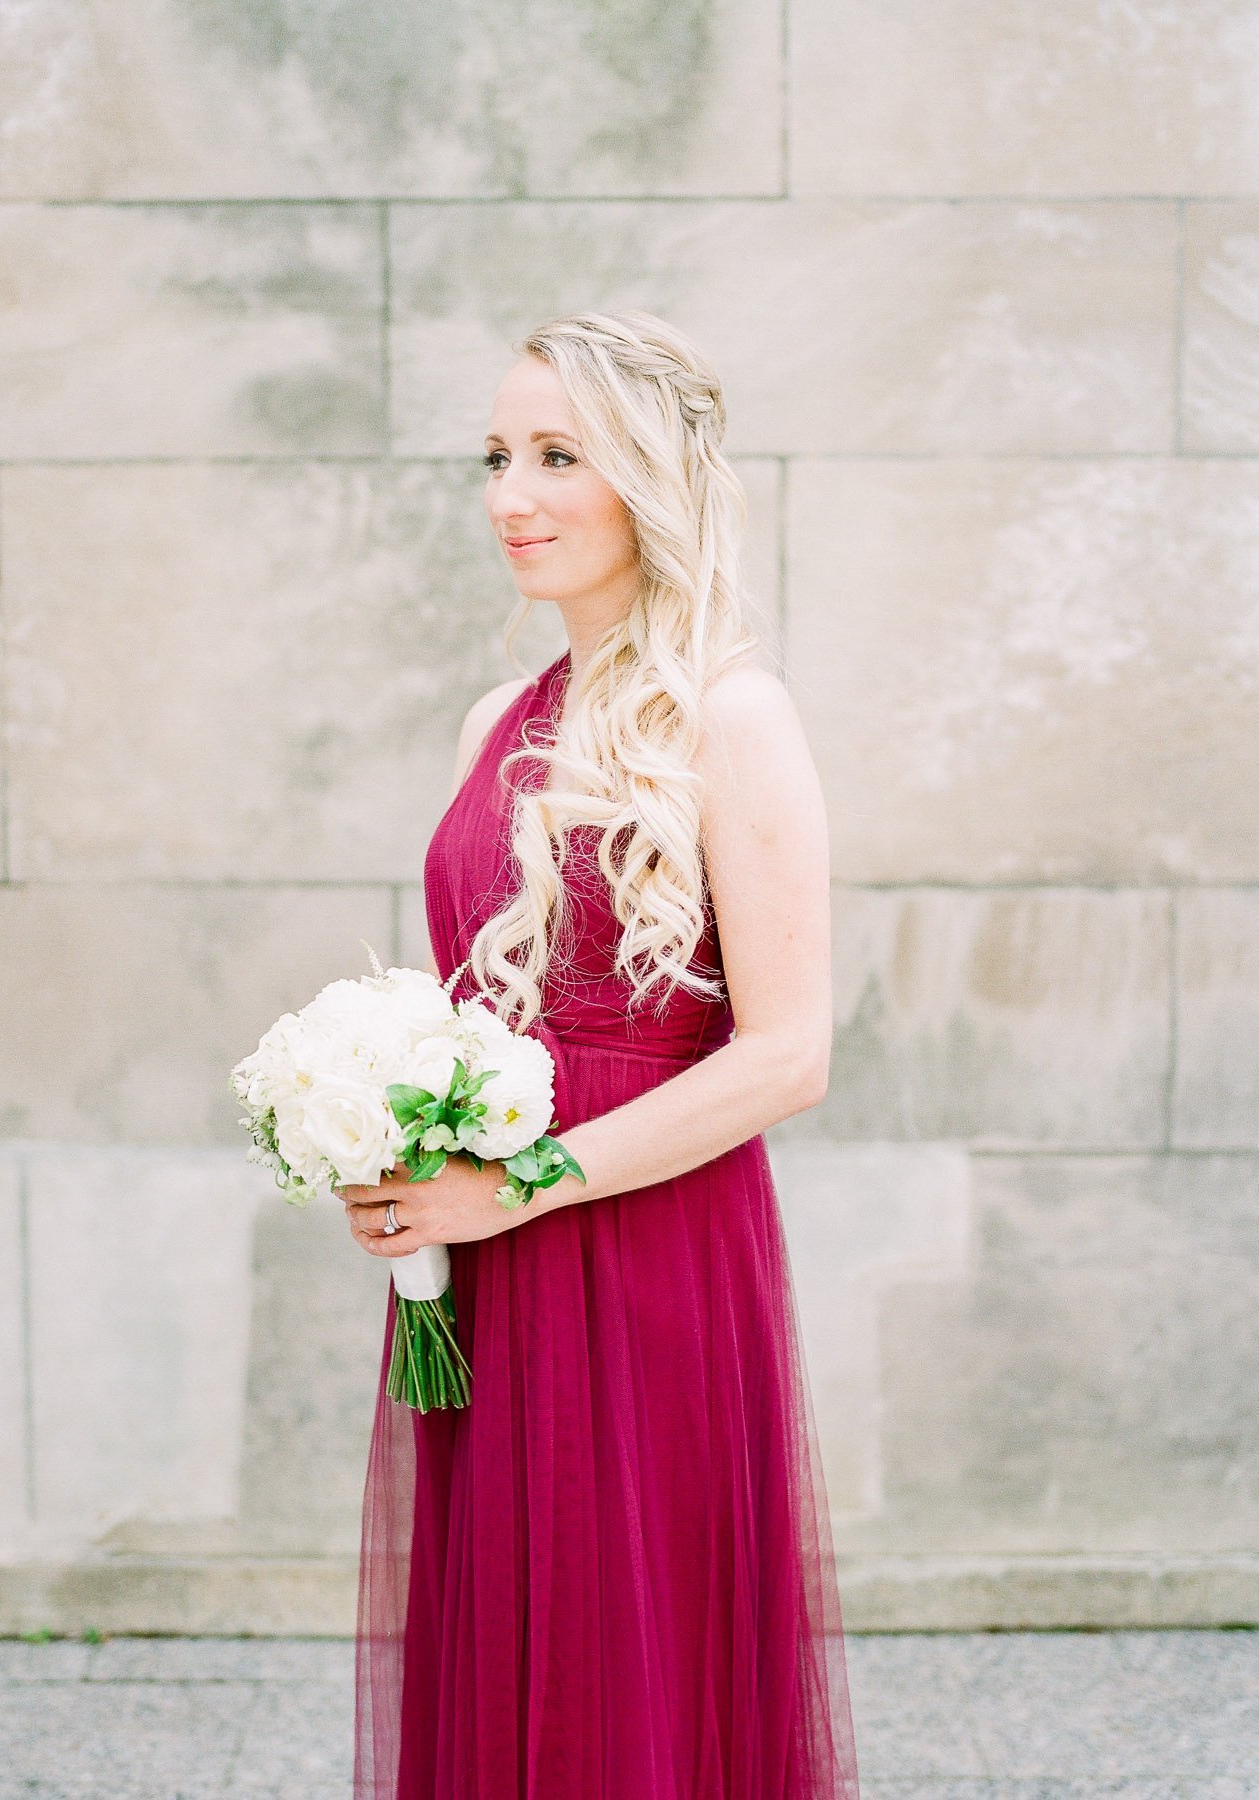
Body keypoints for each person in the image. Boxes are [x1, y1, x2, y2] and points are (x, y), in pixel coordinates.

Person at [340, 309, 861, 1798]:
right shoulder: (491, 718)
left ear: (650, 476)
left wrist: (531, 1181)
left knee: (627, 1653)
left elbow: (788, 1055)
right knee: (500, 1645)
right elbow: (456, 1014)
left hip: (646, 1255)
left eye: (557, 455)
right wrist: (391, 1146)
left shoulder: (730, 717)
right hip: (481, 1261)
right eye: (495, 455)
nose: (511, 493)